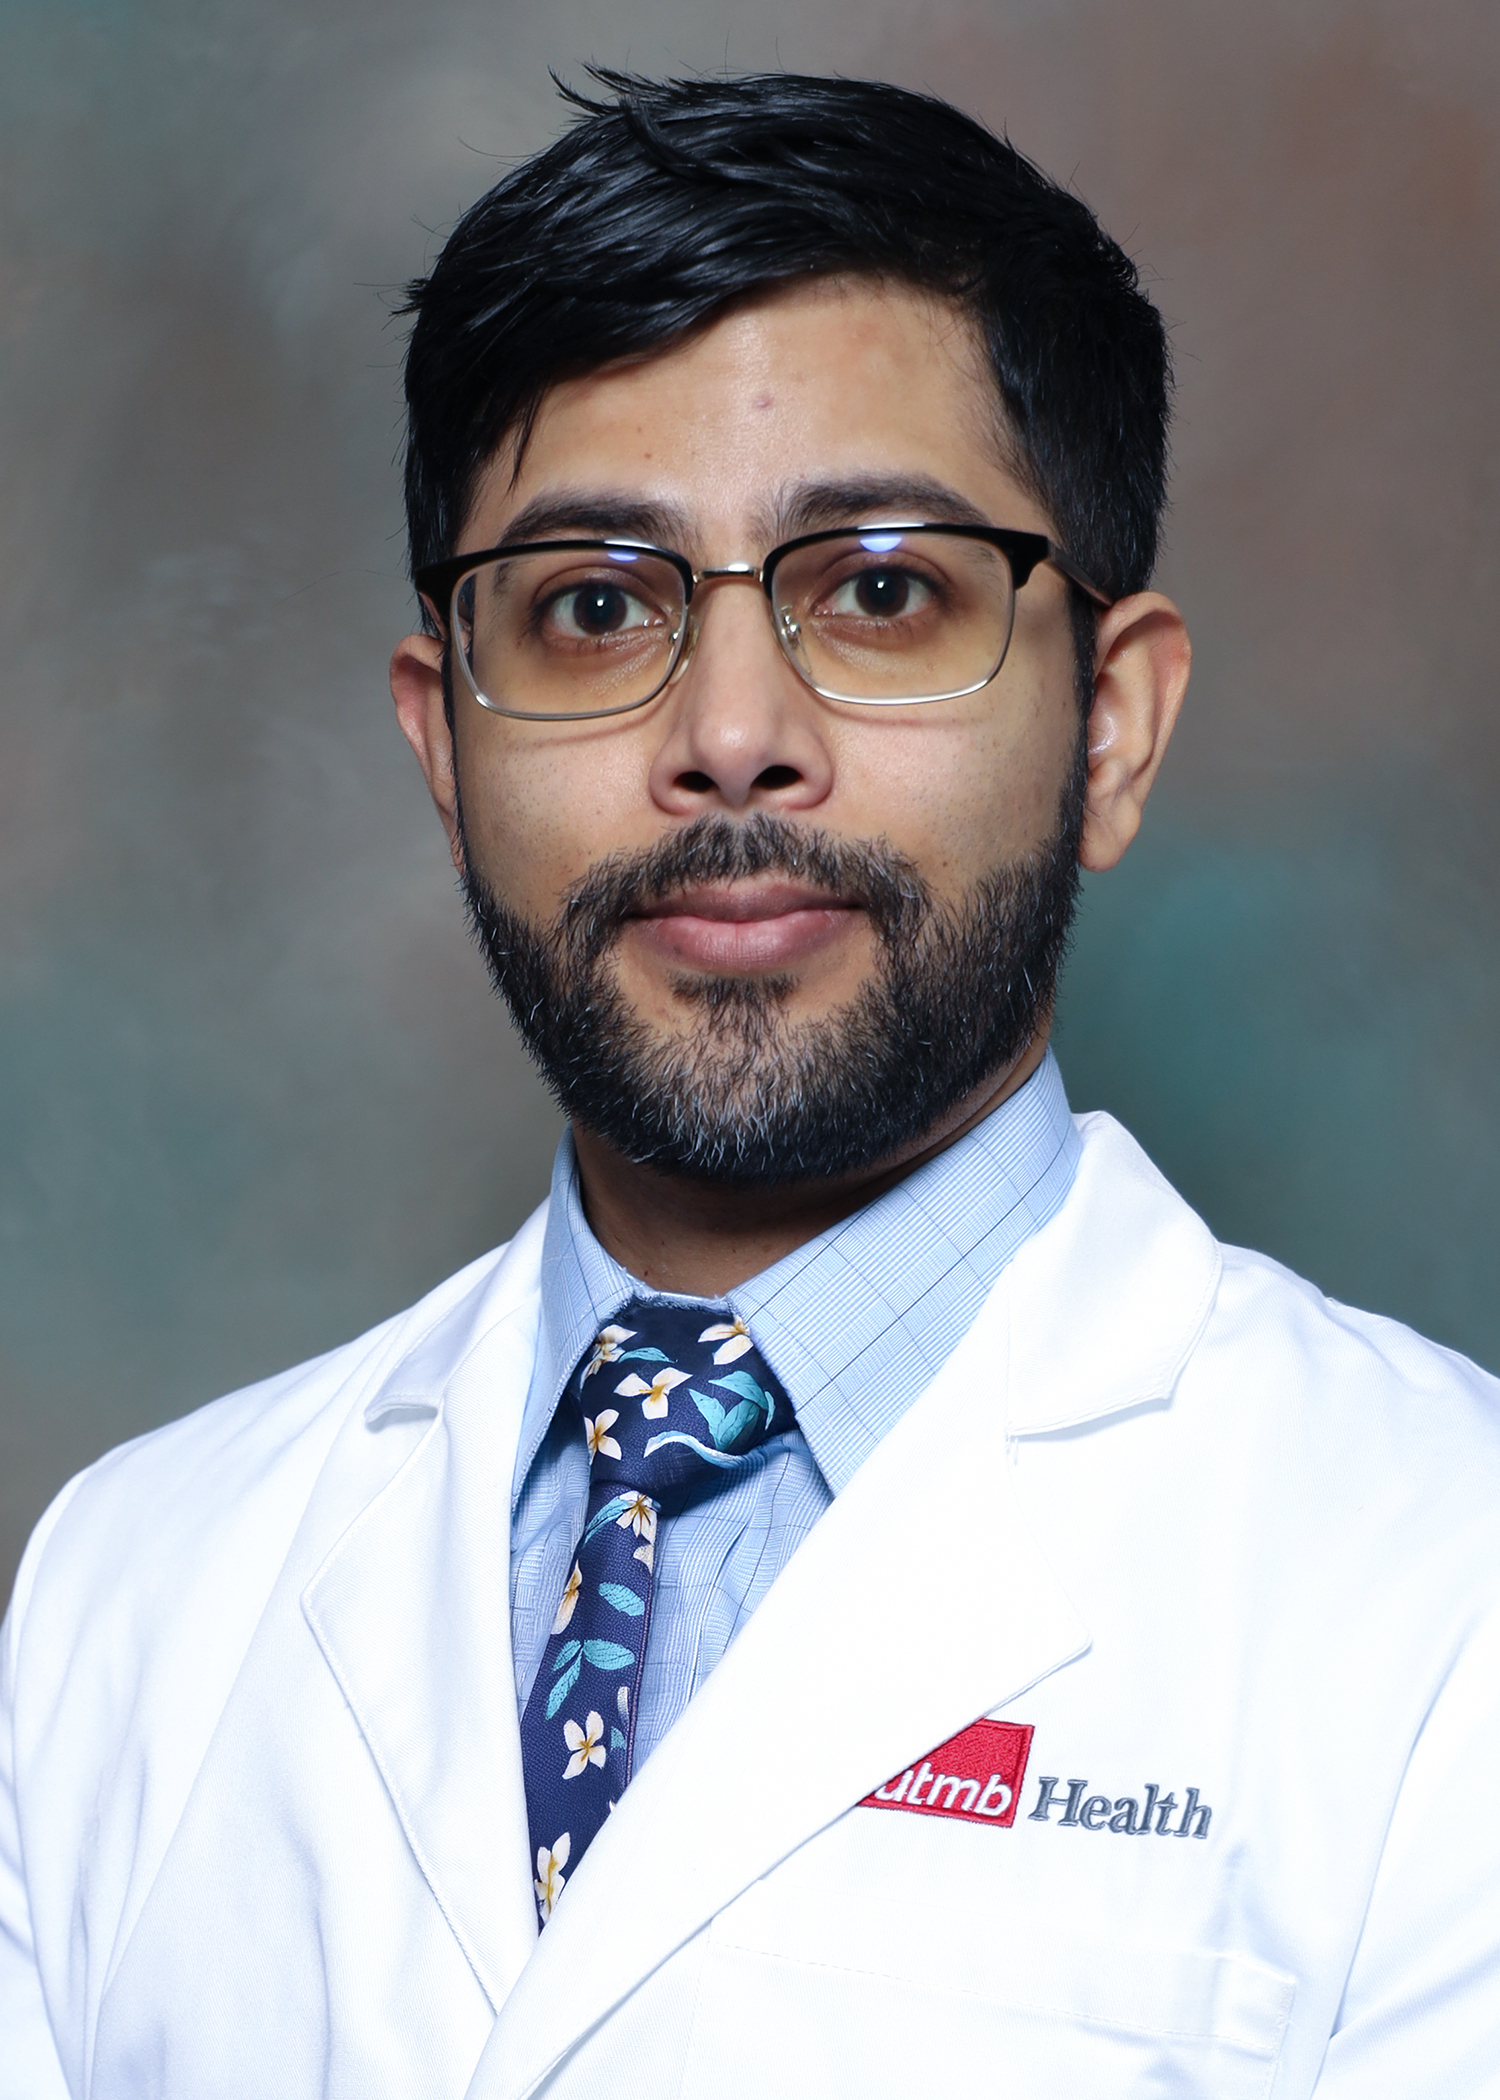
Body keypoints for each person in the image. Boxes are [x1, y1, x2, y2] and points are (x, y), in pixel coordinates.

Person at [2, 69, 1497, 2100]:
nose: (729, 737)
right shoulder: (129, 1592)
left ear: (1116, 729)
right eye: (596, 607)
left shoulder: (1436, 1585)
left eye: (882, 590)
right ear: (448, 747)